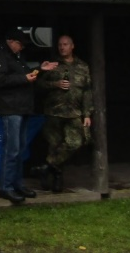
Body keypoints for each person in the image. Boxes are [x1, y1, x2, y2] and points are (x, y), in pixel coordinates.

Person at [0, 29, 57, 203]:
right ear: (11, 41)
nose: (21, 48)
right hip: (10, 108)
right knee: (11, 149)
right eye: (20, 44)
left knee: (20, 149)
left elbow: (25, 75)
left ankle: (17, 184)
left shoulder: (17, 57)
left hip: (22, 107)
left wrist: (39, 69)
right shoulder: (0, 56)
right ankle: (5, 187)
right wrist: (24, 78)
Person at [33, 34, 94, 193]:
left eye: (65, 44)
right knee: (54, 146)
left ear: (72, 46)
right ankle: (56, 180)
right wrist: (56, 84)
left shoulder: (83, 66)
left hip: (74, 112)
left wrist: (87, 114)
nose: (62, 47)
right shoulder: (53, 65)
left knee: (75, 142)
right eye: (60, 44)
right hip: (54, 112)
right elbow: (38, 85)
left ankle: (45, 167)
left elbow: (87, 92)